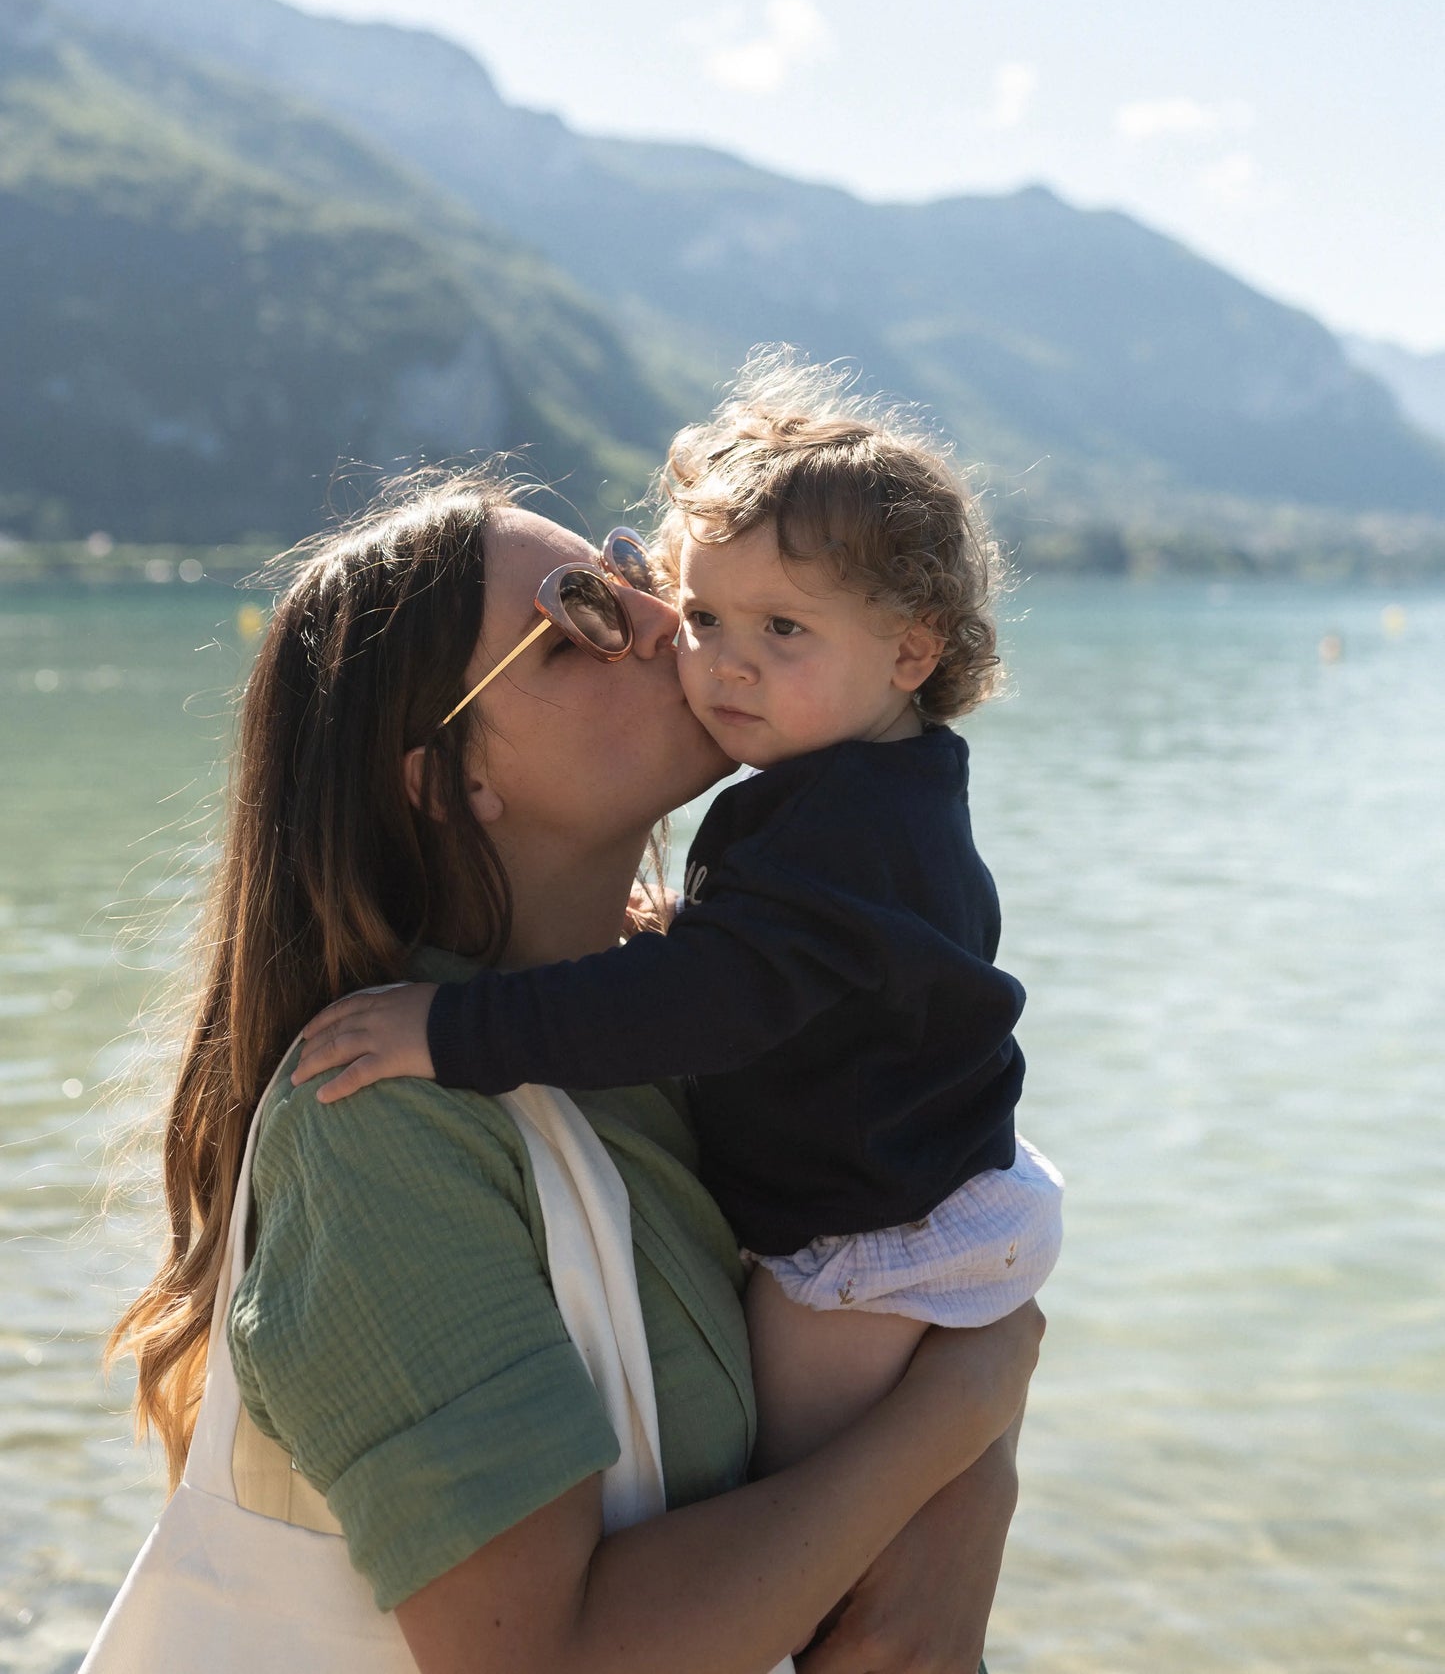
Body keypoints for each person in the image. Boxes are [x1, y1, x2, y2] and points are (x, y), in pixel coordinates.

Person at [109, 467, 1043, 1674]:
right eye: (578, 615)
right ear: (446, 780)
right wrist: (964, 1399)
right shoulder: (383, 1118)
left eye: (629, 573)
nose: (665, 621)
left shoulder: (690, 1023)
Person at [296, 356, 1062, 1478]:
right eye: (700, 609)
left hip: (870, 1243)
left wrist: (446, 1029)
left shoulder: (842, 828)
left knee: (793, 1510)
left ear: (911, 648)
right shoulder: (868, 798)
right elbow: (772, 969)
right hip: (902, 1197)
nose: (704, 653)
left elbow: (704, 1002)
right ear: (444, 777)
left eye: (781, 630)